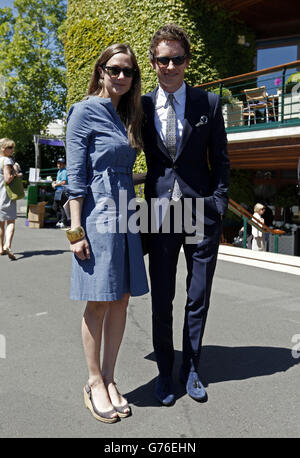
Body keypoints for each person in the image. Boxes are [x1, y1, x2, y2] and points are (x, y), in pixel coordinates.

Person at [141, 24, 230, 405]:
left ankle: (191, 367)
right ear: (154, 62)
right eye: (163, 59)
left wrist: (219, 203)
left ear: (186, 61)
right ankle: (164, 372)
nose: (170, 66)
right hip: (159, 216)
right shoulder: (141, 106)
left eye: (177, 58)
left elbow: (222, 160)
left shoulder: (208, 104)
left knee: (198, 296)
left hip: (201, 213)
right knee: (162, 298)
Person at [65, 43, 149, 423]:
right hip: (97, 215)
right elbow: (76, 176)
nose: (121, 76)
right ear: (100, 70)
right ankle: (94, 381)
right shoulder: (83, 111)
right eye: (114, 69)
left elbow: (121, 169)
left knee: (122, 299)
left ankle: (112, 378)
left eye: (128, 71)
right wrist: (74, 230)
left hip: (126, 211)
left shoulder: (126, 115)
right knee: (99, 299)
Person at [0, 138, 22, 260]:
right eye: (10, 147)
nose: (12, 150)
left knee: (0, 223)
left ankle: (1, 248)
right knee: (11, 221)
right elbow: (8, 179)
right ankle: (7, 245)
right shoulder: (7, 160)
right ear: (4, 148)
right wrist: (16, 174)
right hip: (6, 195)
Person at [51, 157, 68, 228]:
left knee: (61, 207)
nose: (59, 165)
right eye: (58, 163)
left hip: (62, 191)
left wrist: (55, 185)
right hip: (58, 191)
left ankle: (63, 222)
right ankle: (60, 220)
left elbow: (64, 182)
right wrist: (53, 182)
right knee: (55, 207)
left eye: (60, 163)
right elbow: (58, 180)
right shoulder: (59, 171)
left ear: (64, 164)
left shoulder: (64, 171)